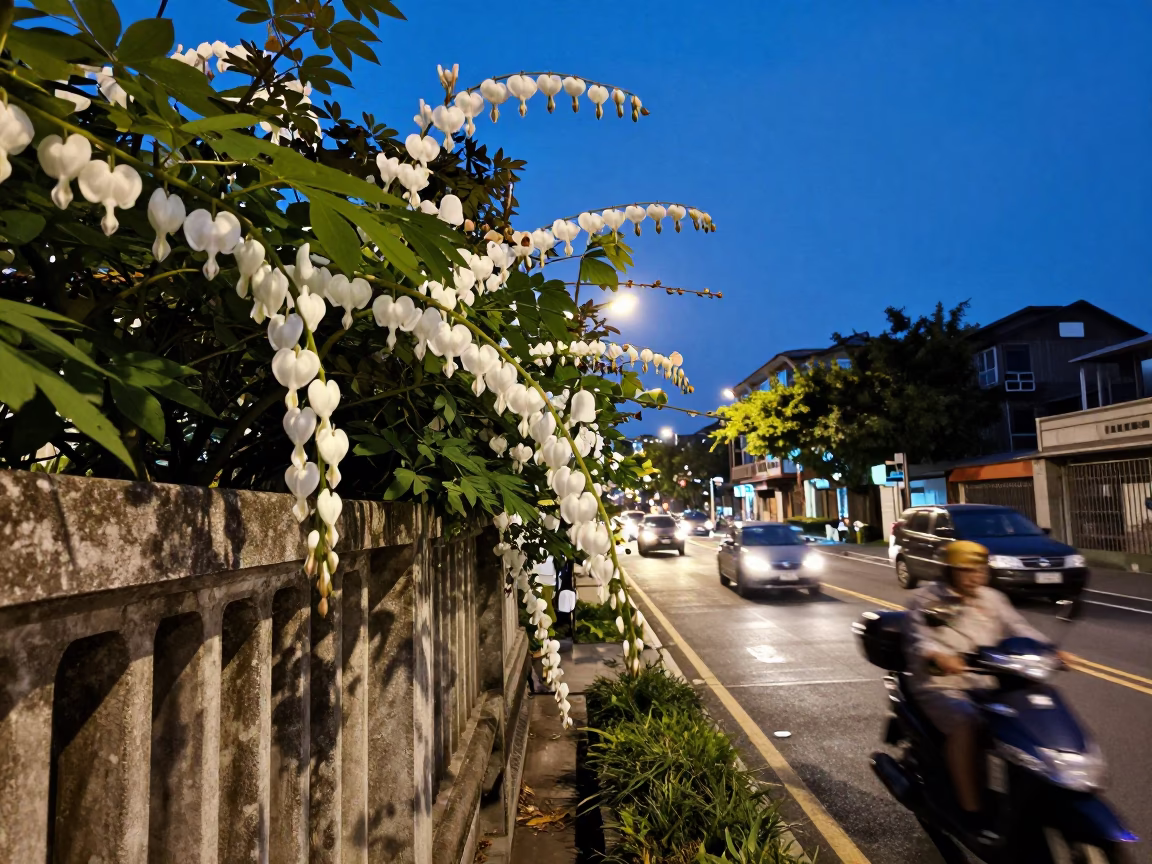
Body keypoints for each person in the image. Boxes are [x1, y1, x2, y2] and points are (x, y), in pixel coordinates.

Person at [905, 541, 1071, 832]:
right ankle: (971, 810)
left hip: (988, 681)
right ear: (950, 571)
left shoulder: (992, 599)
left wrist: (1050, 650)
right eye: (965, 571)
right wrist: (938, 655)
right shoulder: (931, 600)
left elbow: (1020, 628)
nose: (974, 577)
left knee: (1027, 721)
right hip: (942, 684)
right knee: (967, 723)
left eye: (979, 570)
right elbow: (922, 638)